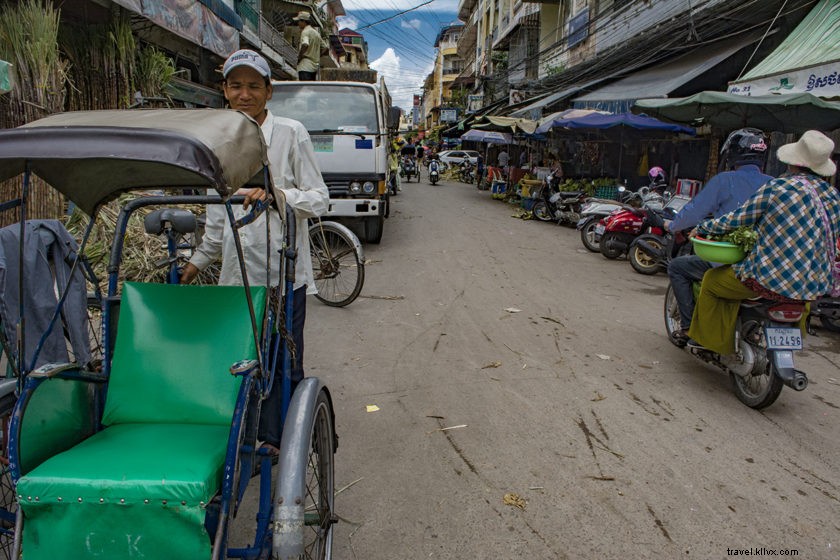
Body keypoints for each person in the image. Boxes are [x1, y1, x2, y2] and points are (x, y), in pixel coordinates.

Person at [180, 49, 329, 453]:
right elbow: (217, 220)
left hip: (283, 276)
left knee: (283, 363)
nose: (244, 94)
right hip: (236, 277)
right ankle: (243, 439)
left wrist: (278, 194)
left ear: (268, 91)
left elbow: (319, 199)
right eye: (236, 86)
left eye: (253, 86)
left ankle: (282, 441)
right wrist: (193, 265)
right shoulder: (217, 137)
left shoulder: (291, 133)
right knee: (242, 361)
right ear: (224, 91)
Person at [688, 130, 840, 355]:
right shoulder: (832, 195)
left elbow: (737, 219)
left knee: (711, 282)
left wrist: (702, 228)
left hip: (767, 280)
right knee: (797, 294)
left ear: (793, 163)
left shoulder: (778, 188)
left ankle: (711, 344)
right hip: (812, 286)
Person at [666, 128, 772, 342]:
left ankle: (688, 328)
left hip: (729, 262)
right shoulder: (775, 184)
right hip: (766, 263)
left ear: (733, 154)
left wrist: (673, 226)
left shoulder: (726, 181)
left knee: (677, 267)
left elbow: (695, 212)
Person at [294, 11, 322, 81]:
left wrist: (299, 58)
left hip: (305, 66)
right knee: (310, 89)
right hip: (314, 67)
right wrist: (316, 55)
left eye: (299, 21)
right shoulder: (316, 33)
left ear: (304, 21)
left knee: (304, 89)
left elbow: (305, 44)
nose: (298, 23)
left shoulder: (305, 32)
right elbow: (326, 48)